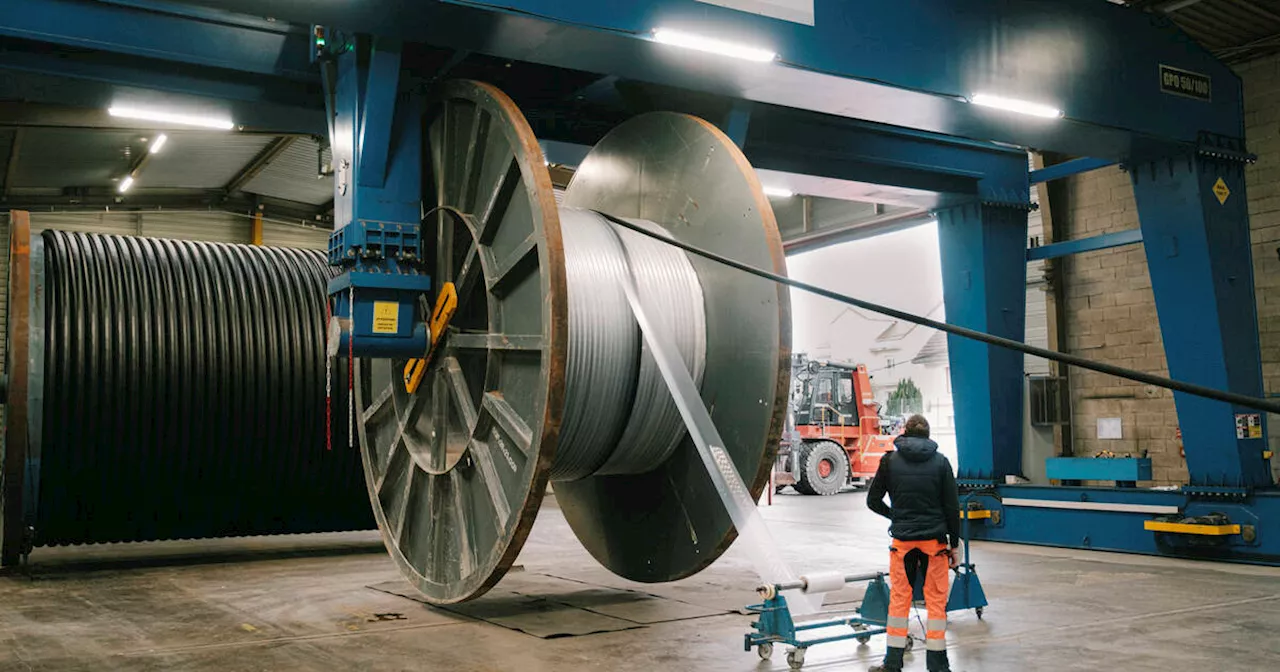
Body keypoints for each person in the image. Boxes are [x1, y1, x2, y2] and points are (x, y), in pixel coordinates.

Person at [865, 414, 961, 672]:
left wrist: (895, 516)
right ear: (928, 436)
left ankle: (892, 663)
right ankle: (938, 666)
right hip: (935, 544)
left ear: (905, 432)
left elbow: (872, 501)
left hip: (903, 543)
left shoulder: (889, 461)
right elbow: (952, 507)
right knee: (936, 601)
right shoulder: (941, 463)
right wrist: (955, 544)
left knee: (899, 601)